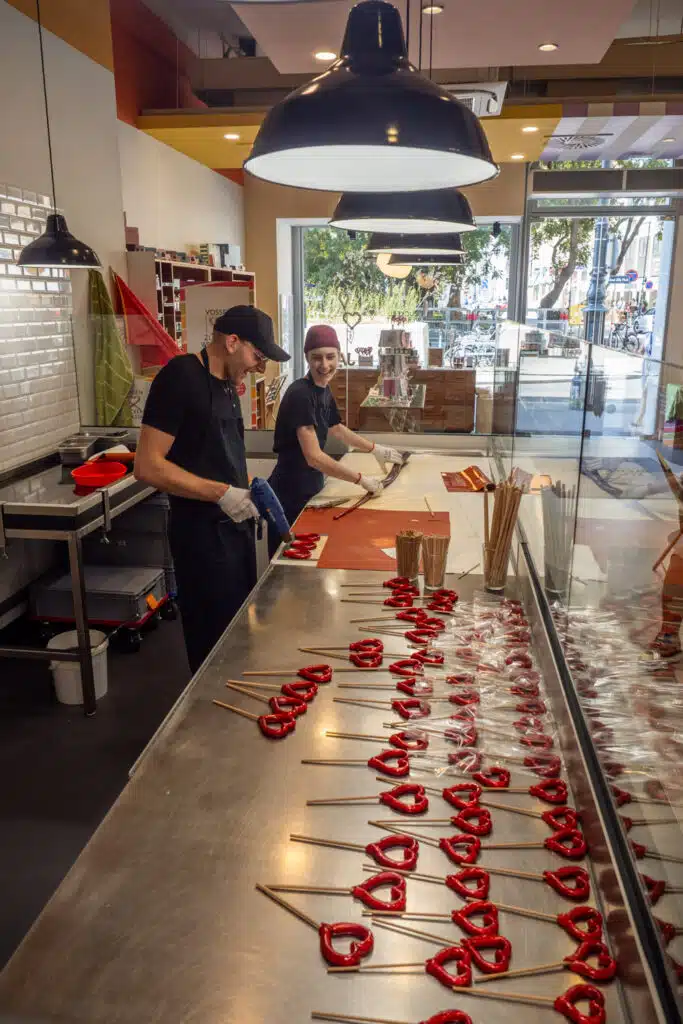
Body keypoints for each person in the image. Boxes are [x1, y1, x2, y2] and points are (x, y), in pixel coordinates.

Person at [134, 306, 290, 673]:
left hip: (234, 535)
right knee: (211, 645)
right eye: (258, 356)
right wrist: (220, 493)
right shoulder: (180, 376)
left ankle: (232, 706)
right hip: (201, 540)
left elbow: (219, 455)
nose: (258, 366)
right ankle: (205, 720)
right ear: (233, 342)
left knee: (237, 635)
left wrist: (249, 492)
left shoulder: (227, 386)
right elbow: (147, 465)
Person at [267, 323, 403, 556]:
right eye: (316, 357)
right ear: (307, 358)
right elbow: (314, 457)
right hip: (289, 496)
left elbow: (337, 428)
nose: (325, 365)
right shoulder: (301, 394)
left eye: (331, 357)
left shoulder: (322, 389)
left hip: (311, 488)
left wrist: (375, 449)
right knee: (291, 567)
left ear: (340, 356)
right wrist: (361, 479)